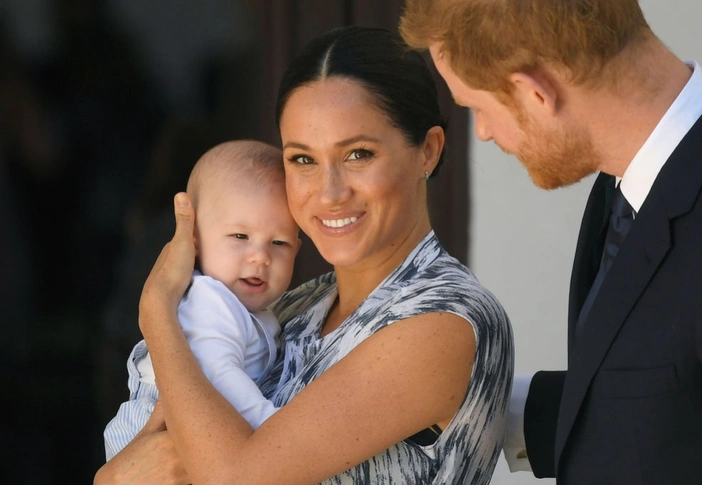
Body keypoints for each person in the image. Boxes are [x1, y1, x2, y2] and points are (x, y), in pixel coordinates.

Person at [94, 25, 514, 485]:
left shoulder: (444, 320)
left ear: (427, 152)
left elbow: (235, 476)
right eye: (302, 159)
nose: (329, 193)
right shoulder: (295, 308)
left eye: (358, 154)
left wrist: (157, 311)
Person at [400, 1, 702, 484]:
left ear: (535, 93)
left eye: (475, 108)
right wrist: (468, 398)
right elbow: (670, 408)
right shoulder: (635, 174)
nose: (485, 133)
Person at [103, 139, 301, 460]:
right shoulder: (210, 301)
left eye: (279, 243)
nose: (261, 257)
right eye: (240, 236)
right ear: (194, 240)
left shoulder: (255, 310)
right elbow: (218, 372)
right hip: (158, 429)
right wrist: (271, 426)